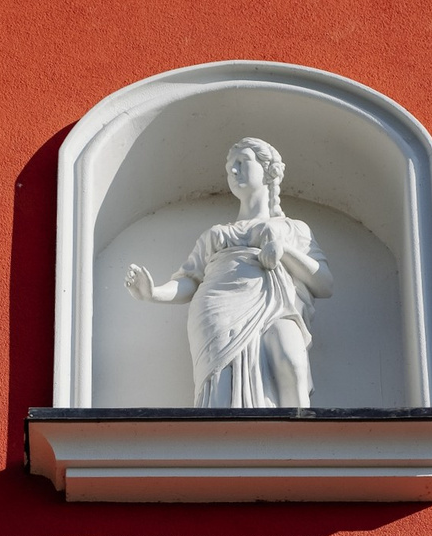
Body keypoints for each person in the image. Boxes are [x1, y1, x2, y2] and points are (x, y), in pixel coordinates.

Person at [126, 135, 333, 407]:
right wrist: (153, 293)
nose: (232, 171)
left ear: (268, 170)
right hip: (217, 311)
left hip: (278, 306)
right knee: (224, 386)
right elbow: (189, 279)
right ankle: (224, 440)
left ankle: (300, 441)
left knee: (291, 361)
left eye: (241, 162)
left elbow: (325, 284)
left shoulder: (294, 229)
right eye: (228, 168)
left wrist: (285, 251)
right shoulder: (216, 235)